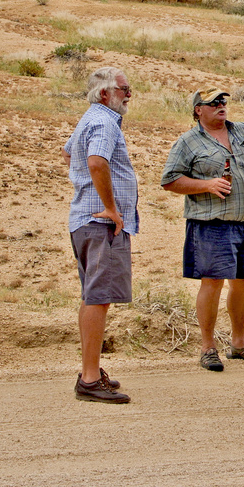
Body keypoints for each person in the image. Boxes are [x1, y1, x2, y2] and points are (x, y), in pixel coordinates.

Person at [160, 86, 244, 372]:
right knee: (213, 283)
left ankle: (239, 344)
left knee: (243, 283)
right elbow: (169, 180)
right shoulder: (188, 142)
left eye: (223, 101)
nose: (221, 105)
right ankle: (207, 347)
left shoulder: (242, 130)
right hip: (211, 224)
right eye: (213, 102)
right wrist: (206, 185)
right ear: (198, 110)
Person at [62, 66, 137, 403]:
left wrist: (82, 186)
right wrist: (110, 207)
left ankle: (89, 371)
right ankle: (90, 379)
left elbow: (68, 151)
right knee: (99, 297)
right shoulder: (104, 121)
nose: (129, 94)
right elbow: (96, 162)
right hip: (100, 224)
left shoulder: (89, 118)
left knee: (92, 295)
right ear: (105, 93)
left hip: (83, 219)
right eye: (123, 88)